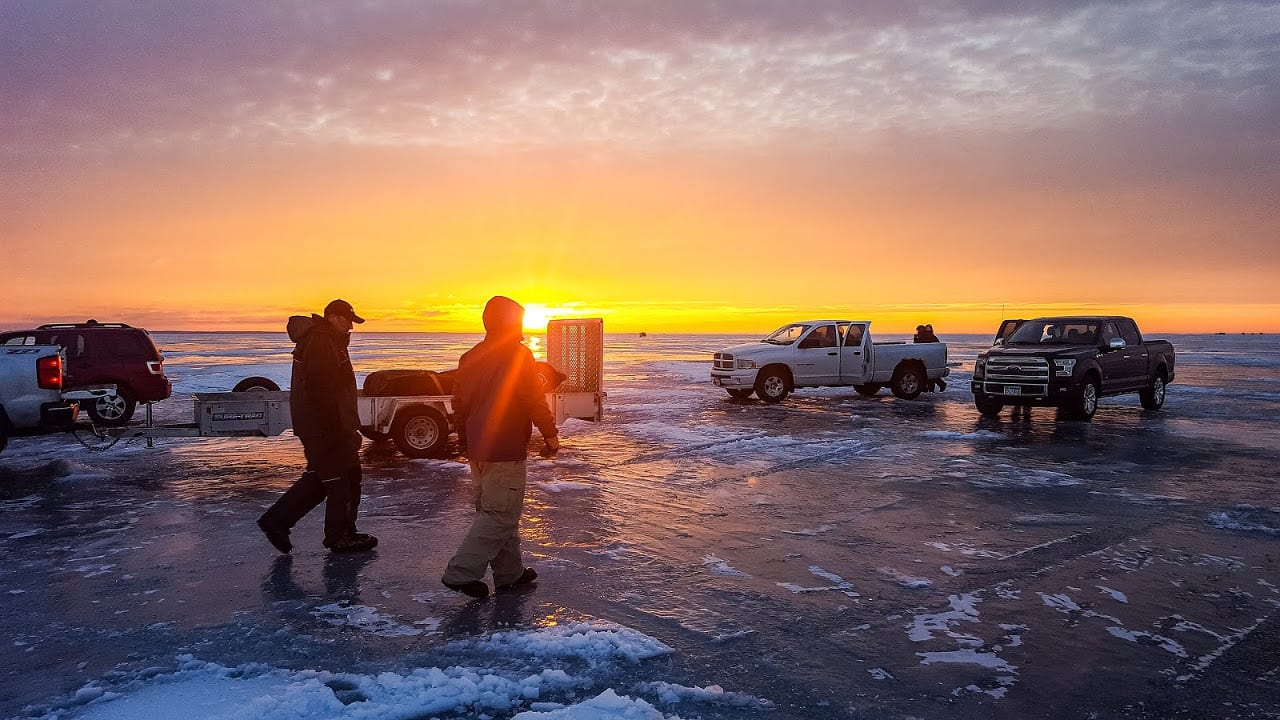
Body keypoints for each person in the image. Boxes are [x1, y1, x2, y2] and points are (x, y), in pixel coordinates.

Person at [441, 296, 560, 599]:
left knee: (499, 509)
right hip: (504, 447)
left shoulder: (470, 357)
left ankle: (510, 574)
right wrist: (550, 434)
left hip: (479, 448)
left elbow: (460, 405)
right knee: (499, 514)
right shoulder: (518, 356)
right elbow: (533, 399)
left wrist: (466, 443)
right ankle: (461, 573)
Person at [257, 299, 377, 554]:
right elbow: (320, 391)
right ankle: (340, 536)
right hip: (323, 427)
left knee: (326, 478)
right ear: (333, 317)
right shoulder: (321, 342)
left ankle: (277, 521)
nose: (350, 328)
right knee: (339, 480)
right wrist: (333, 431)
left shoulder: (328, 341)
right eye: (347, 321)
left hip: (328, 425)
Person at [913, 324, 946, 391]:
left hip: (930, 357)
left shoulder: (929, 337)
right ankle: (932, 387)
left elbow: (921, 345)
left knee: (929, 374)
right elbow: (917, 346)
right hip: (924, 357)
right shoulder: (923, 336)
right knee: (927, 374)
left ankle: (935, 387)